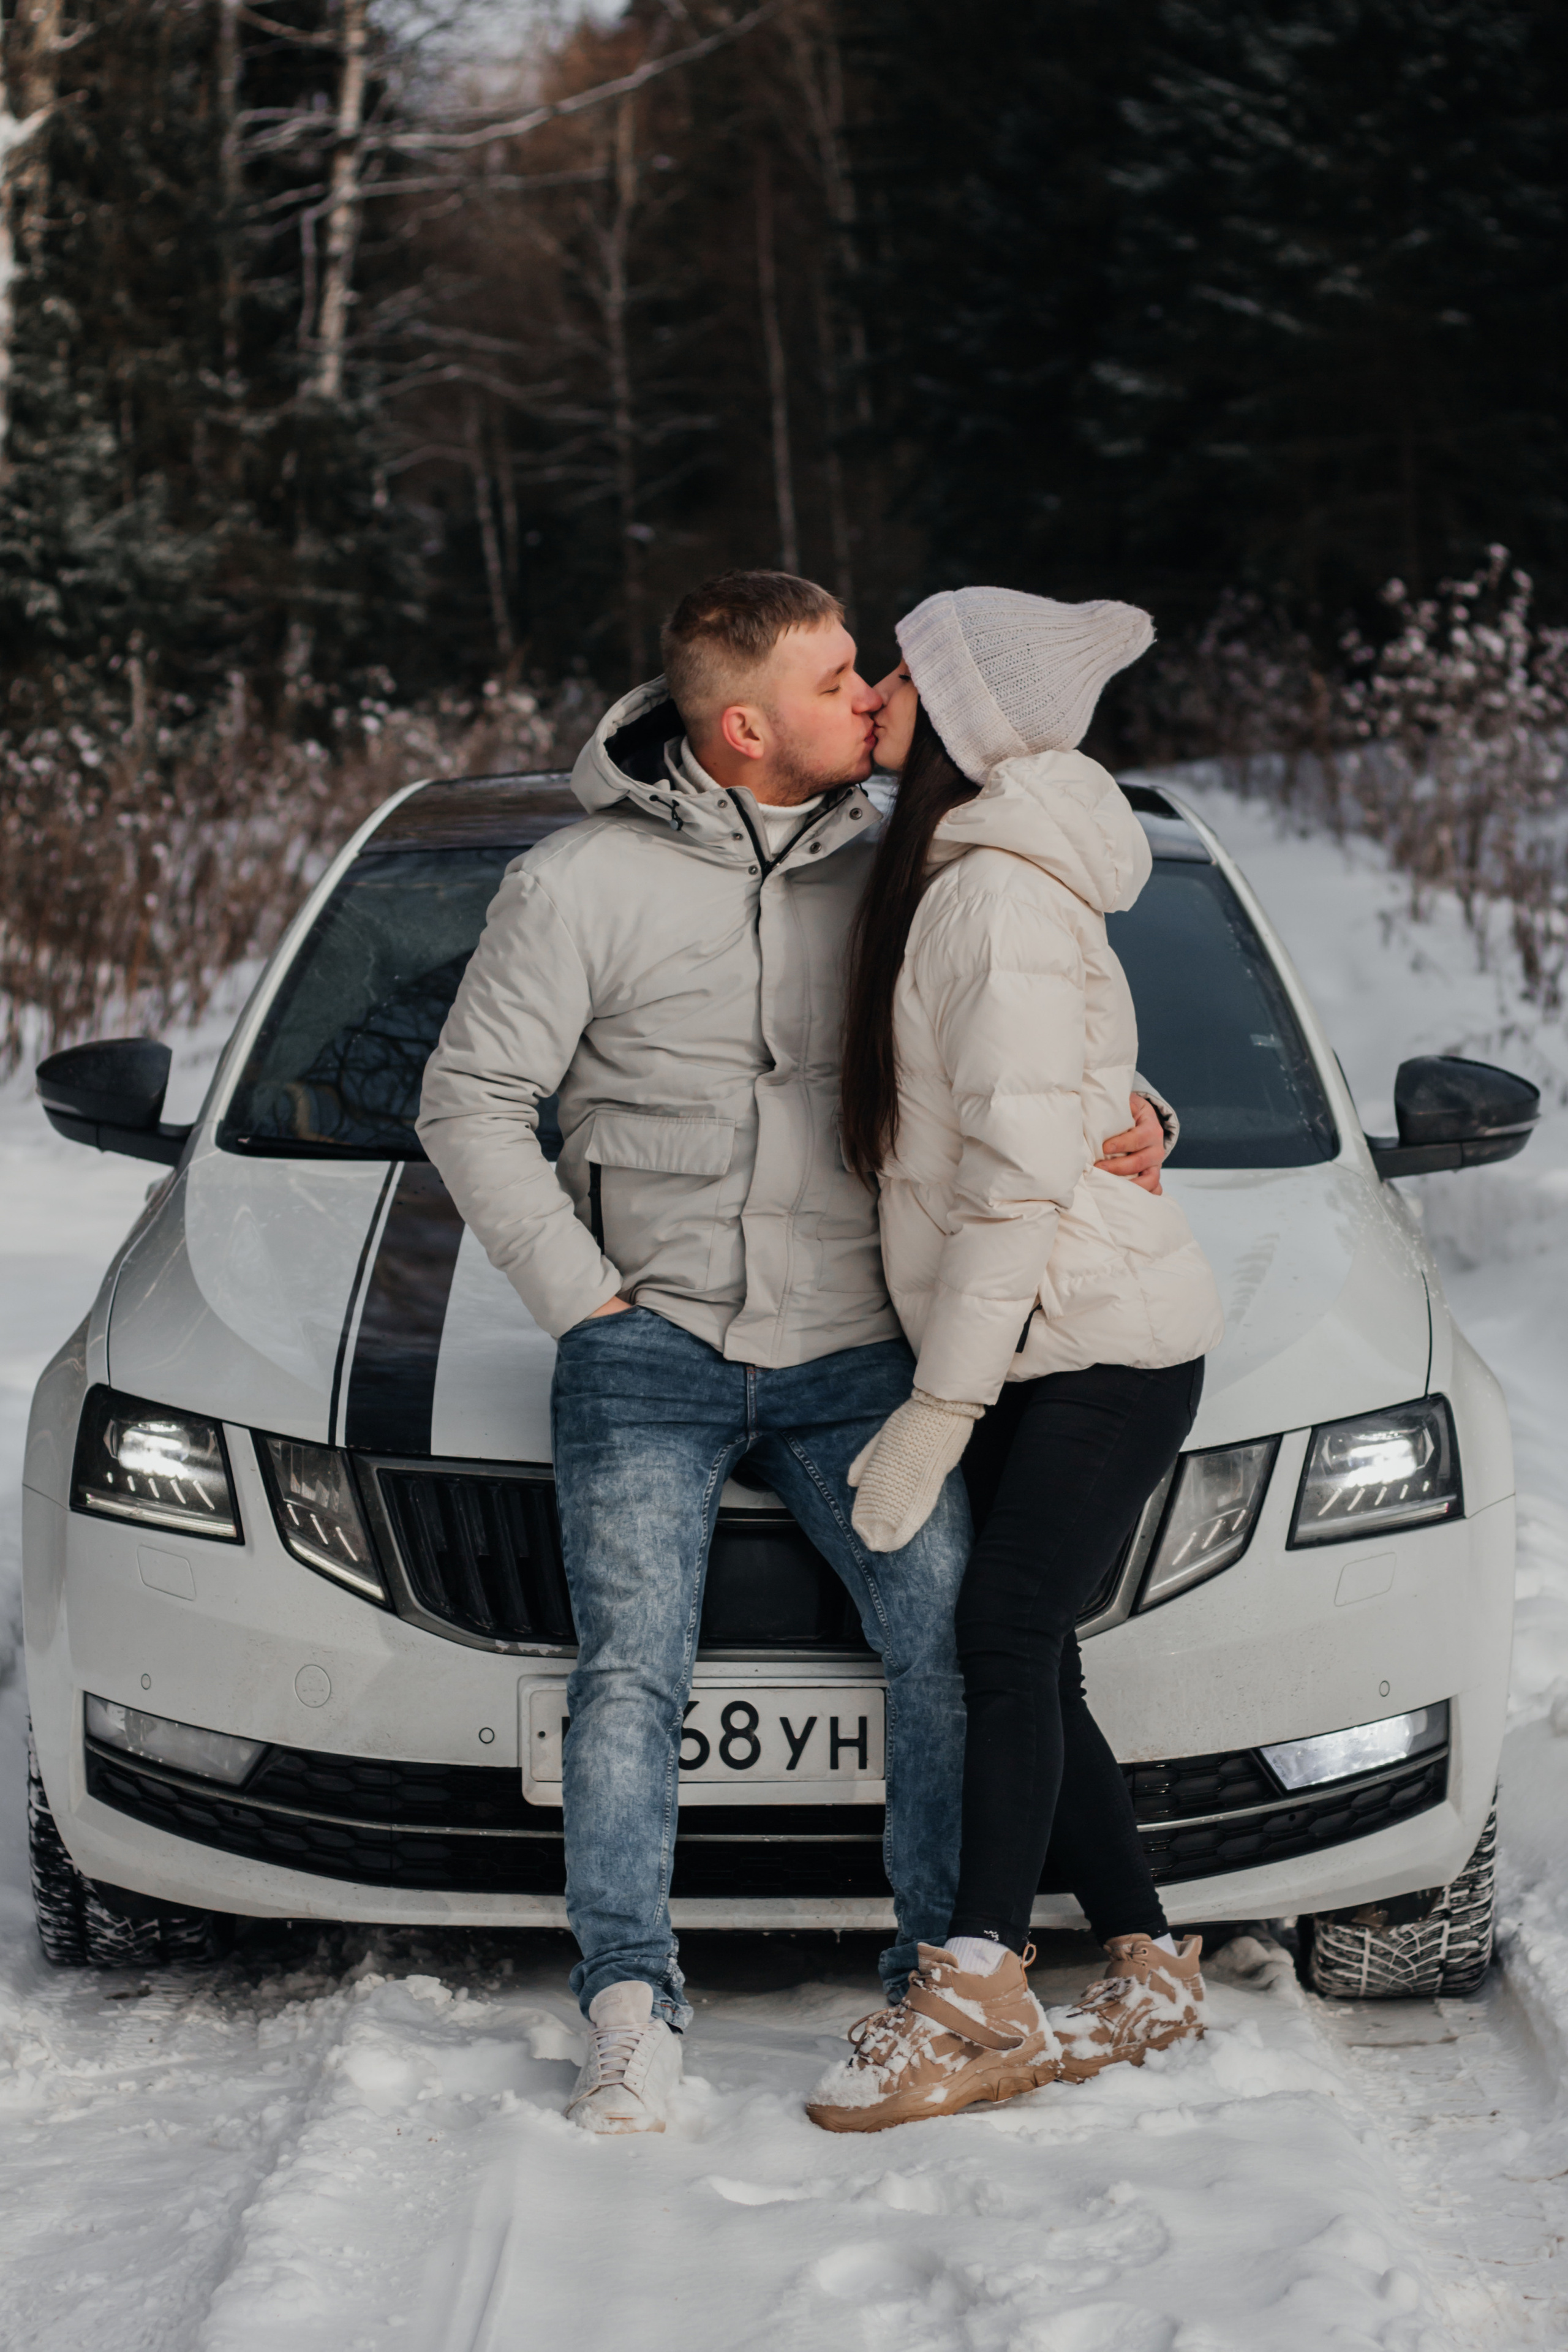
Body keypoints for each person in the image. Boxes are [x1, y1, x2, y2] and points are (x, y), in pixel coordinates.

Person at [417, 571, 1171, 2135]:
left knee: (953, 1649)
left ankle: (932, 1977)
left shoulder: (910, 855)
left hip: (857, 1348)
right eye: (841, 679)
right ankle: (628, 2002)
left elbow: (1036, 1020)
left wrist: (1141, 1112)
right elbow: (468, 1100)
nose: (874, 698)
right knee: (628, 1672)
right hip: (652, 1342)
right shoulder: (577, 883)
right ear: (747, 724)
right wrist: (580, 1293)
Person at [807, 588, 1226, 2135]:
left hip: (1085, 1341)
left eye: (898, 674)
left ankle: (975, 1984)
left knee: (1000, 1638)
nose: (875, 697)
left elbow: (1009, 1181)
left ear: (964, 714)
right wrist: (1148, 1113)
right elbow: (1061, 1077)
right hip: (1040, 1326)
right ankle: (1146, 1954)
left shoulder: (984, 891)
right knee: (1031, 1648)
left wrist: (939, 1402)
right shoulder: (974, 866)